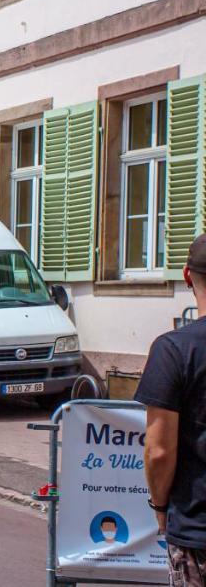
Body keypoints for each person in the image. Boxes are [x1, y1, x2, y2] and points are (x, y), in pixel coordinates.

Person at [138, 234, 206, 584]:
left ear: (187, 276)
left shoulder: (173, 350)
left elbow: (160, 450)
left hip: (197, 527)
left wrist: (160, 507)